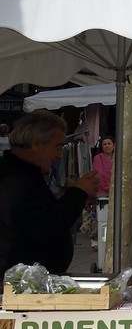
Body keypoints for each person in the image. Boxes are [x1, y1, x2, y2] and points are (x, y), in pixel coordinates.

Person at [0, 111, 97, 276]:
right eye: (58, 147)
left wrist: (70, 195)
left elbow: (41, 214)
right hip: (19, 284)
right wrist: (77, 193)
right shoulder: (13, 181)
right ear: (36, 144)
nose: (59, 155)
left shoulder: (26, 175)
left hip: (32, 281)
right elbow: (44, 225)